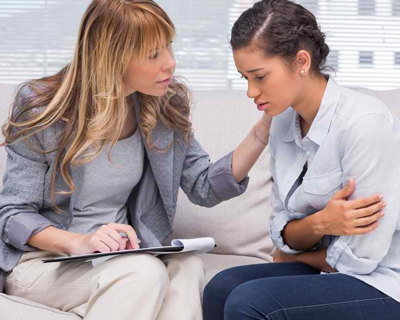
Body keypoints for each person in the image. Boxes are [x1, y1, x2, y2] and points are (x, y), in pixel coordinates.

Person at [0, 1, 273, 319]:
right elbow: (12, 215)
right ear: (112, 57)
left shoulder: (164, 105)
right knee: (143, 272)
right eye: (153, 54)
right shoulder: (43, 110)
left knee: (187, 266)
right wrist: (78, 242)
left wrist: (263, 132)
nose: (170, 63)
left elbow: (203, 185)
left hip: (119, 258)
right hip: (45, 262)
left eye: (168, 46)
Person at [202, 0, 400, 319]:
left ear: (301, 61)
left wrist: (300, 254)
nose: (252, 92)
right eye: (245, 79)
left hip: (384, 280)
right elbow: (281, 227)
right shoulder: (281, 122)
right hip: (331, 270)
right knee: (221, 286)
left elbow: (361, 258)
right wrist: (320, 223)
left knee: (249, 301)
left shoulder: (365, 123)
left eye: (260, 76)